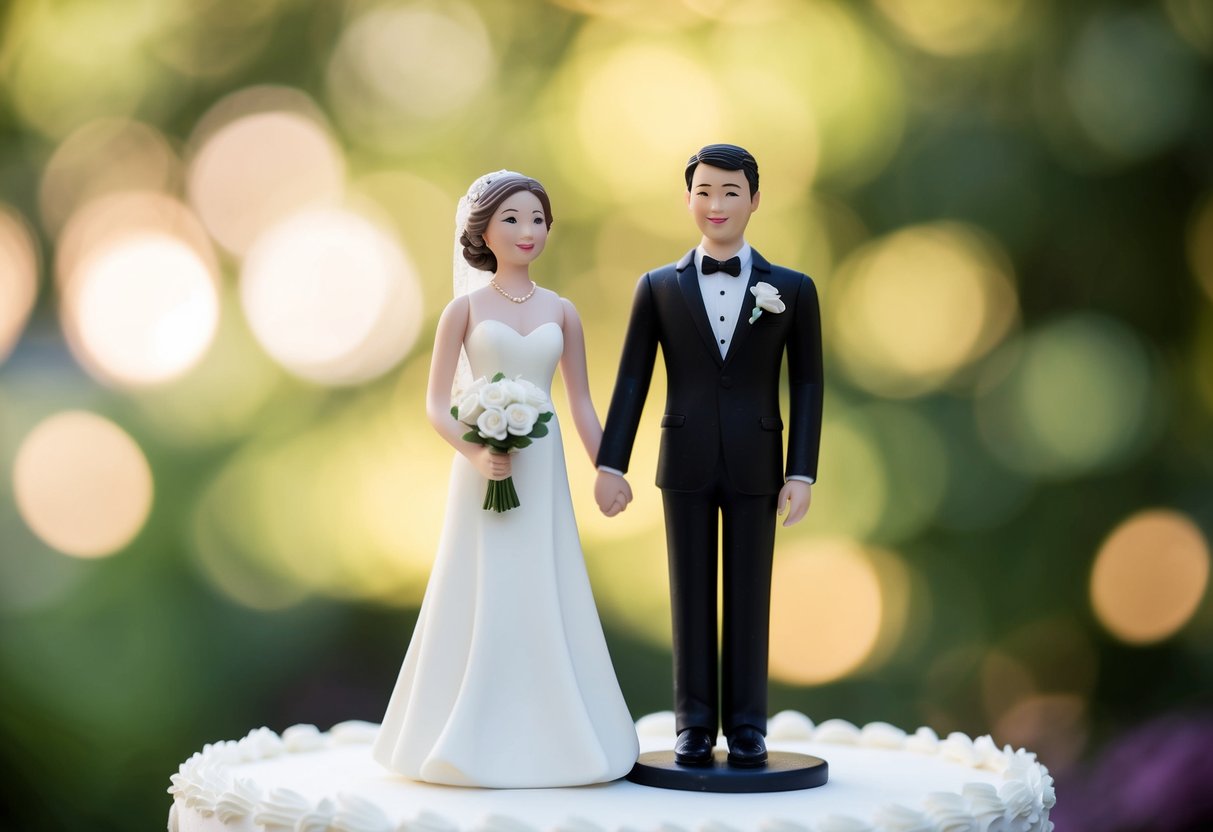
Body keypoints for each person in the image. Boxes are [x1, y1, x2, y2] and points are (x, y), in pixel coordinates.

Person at [373, 171, 638, 787]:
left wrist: (609, 468)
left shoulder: (562, 311)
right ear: (483, 230)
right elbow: (437, 404)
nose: (528, 231)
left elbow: (579, 405)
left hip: (542, 470)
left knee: (544, 577)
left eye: (538, 219)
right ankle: (462, 727)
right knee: (482, 580)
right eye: (513, 219)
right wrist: (474, 452)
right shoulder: (462, 311)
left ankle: (561, 730)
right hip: (484, 467)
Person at [595, 144, 823, 768]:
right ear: (688, 198)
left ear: (754, 198)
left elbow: (807, 382)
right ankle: (693, 726)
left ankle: (748, 727)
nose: (716, 204)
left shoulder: (793, 290)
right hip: (686, 458)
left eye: (729, 191)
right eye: (703, 191)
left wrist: (801, 470)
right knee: (688, 594)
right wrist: (611, 463)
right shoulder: (658, 287)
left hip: (759, 462)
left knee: (751, 596)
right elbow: (633, 380)